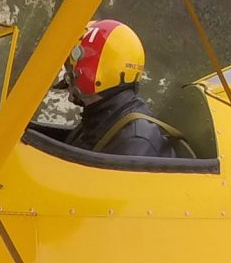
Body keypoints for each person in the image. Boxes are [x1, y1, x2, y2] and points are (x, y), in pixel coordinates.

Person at [62, 18, 176, 158]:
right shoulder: (101, 117)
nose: (66, 75)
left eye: (70, 69)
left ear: (90, 74)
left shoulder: (134, 144)